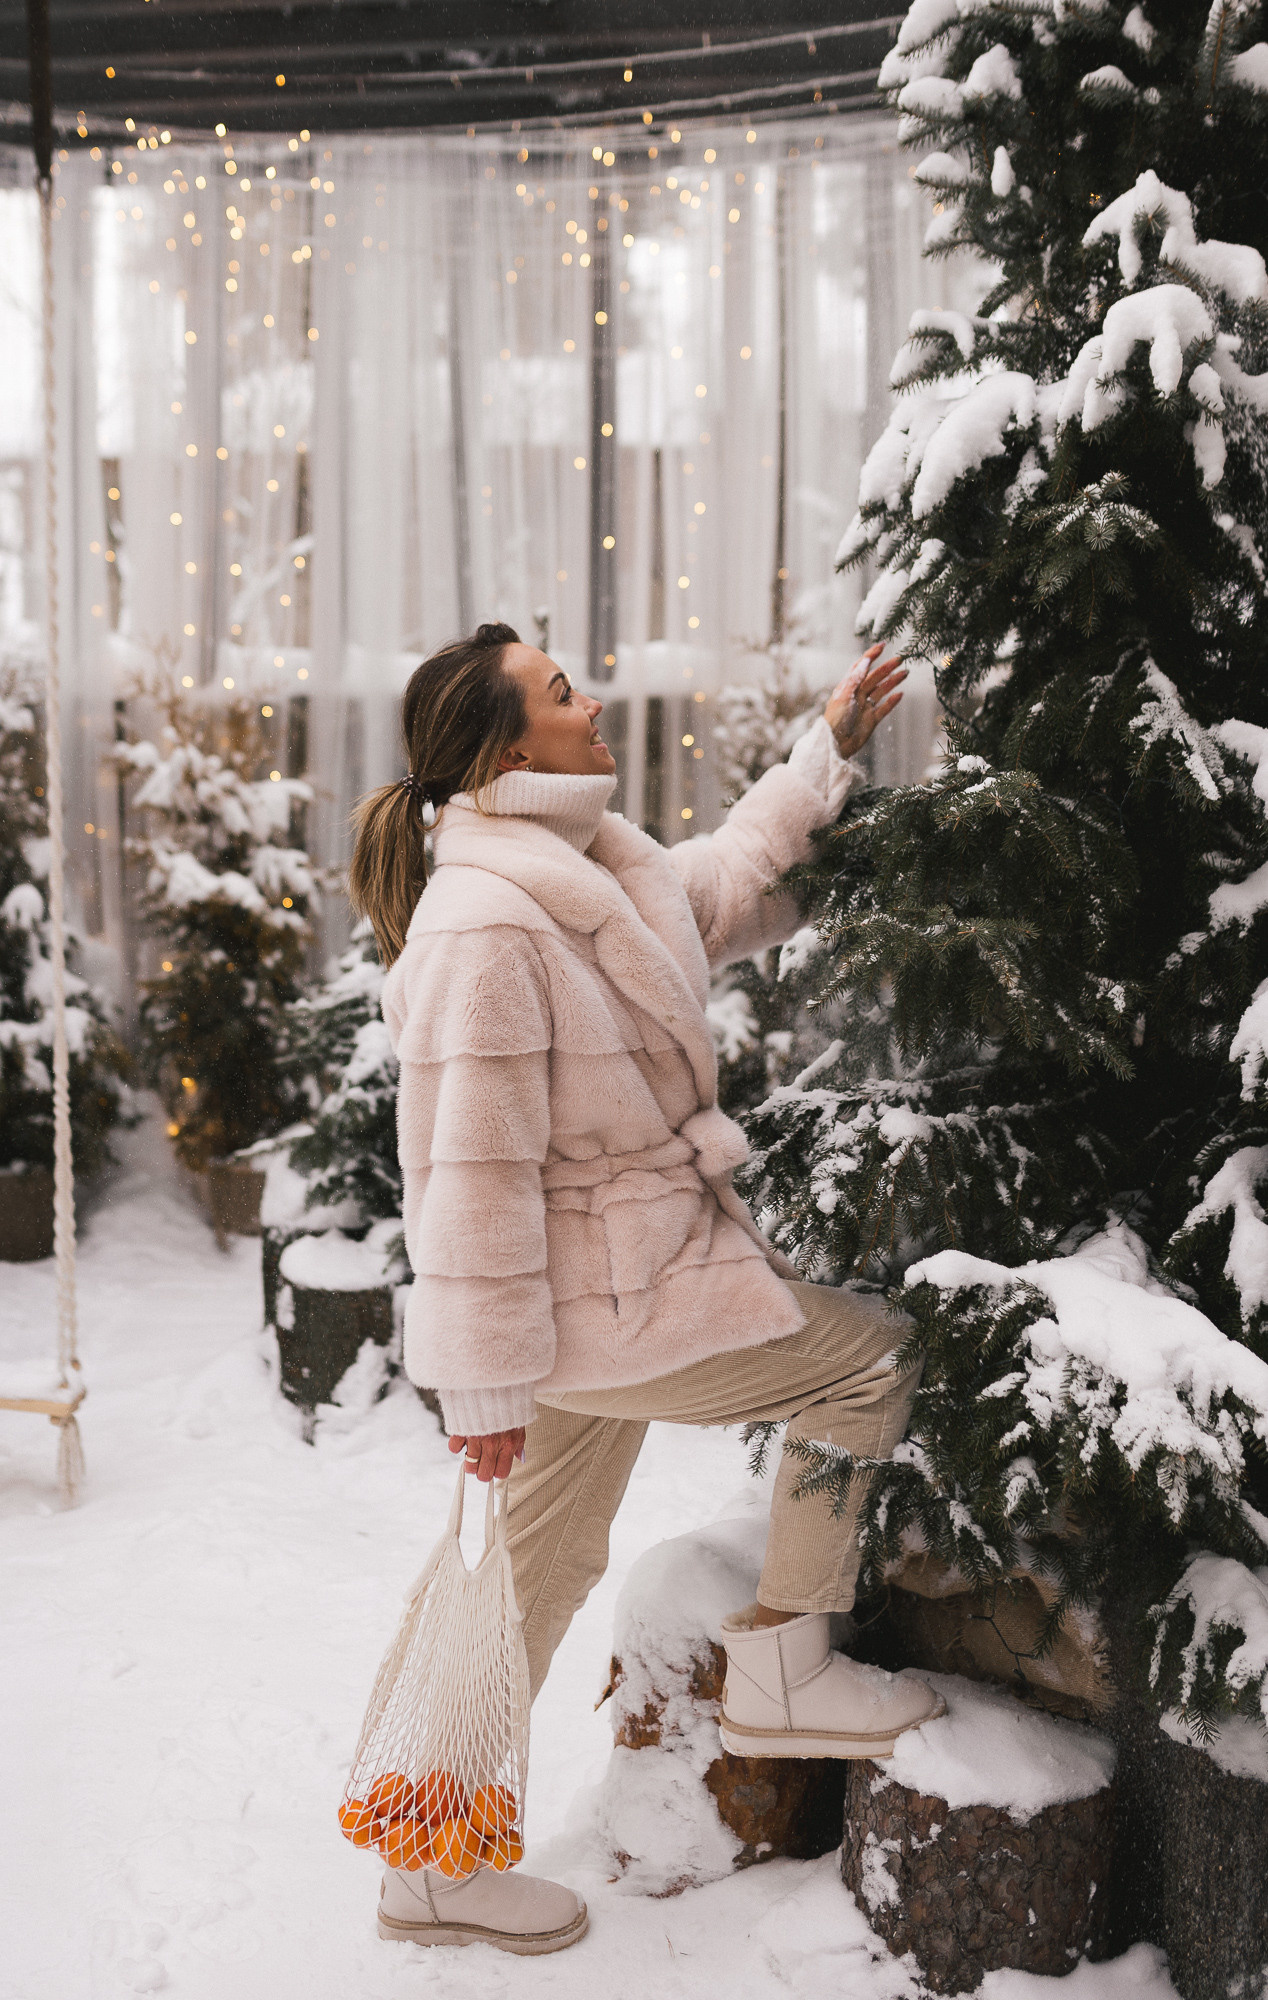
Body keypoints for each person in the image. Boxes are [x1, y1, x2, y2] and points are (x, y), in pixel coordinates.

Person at [350, 621, 941, 1956]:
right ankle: (785, 1672)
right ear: (511, 748)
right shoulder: (484, 924)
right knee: (867, 1359)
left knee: (526, 1575)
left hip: (597, 1293)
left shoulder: (583, 866)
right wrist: (485, 1383)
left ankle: (425, 1859)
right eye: (563, 690)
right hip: (601, 1302)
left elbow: (719, 887)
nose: (594, 693)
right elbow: (466, 1176)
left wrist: (826, 750)